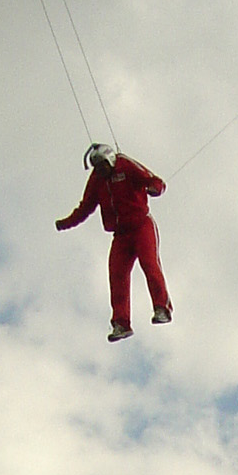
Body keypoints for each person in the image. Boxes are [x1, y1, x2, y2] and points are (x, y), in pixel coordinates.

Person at [56, 141, 172, 342]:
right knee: (117, 276)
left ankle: (162, 307)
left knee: (150, 264)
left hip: (141, 225)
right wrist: (65, 223)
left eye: (104, 166)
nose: (101, 171)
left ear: (110, 160)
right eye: (97, 168)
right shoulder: (97, 180)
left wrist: (154, 188)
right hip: (120, 235)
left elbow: (154, 180)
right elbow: (85, 207)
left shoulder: (124, 164)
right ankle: (121, 323)